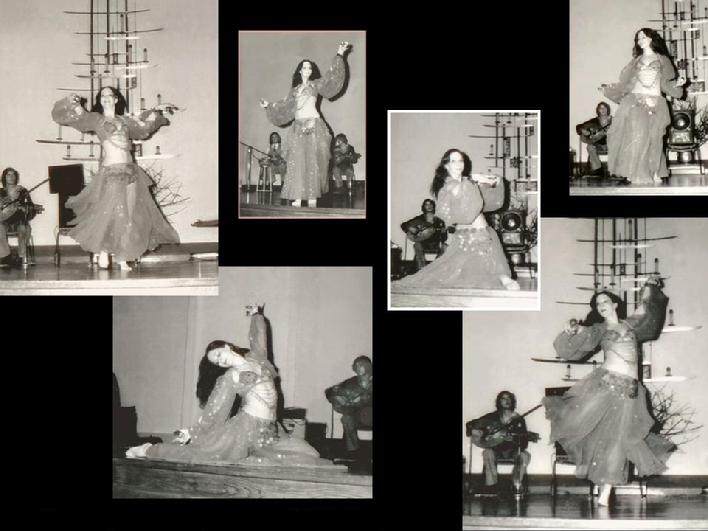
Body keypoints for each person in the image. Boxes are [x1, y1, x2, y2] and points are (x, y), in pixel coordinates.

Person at [126, 312, 330, 466]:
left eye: (217, 354)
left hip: (269, 429)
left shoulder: (257, 357)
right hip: (245, 428)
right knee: (203, 454)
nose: (219, 360)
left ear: (226, 347)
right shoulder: (229, 377)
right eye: (215, 361)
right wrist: (192, 432)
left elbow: (260, 333)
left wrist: (256, 314)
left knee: (309, 456)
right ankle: (151, 450)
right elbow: (214, 411)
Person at [543, 277, 676, 507]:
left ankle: (605, 490)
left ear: (615, 304)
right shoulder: (598, 329)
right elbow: (572, 345)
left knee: (619, 441)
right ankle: (603, 491)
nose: (601, 306)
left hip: (631, 391)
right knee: (606, 437)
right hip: (606, 387)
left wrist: (650, 286)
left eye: (605, 301)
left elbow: (647, 310)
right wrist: (571, 330)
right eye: (597, 304)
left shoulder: (633, 325)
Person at [52, 86, 180, 270]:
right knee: (109, 214)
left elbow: (144, 128)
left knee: (129, 214)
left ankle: (122, 256)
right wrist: (72, 101)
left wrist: (157, 109)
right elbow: (77, 116)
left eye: (109, 95)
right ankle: (104, 250)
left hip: (131, 172)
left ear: (116, 99)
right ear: (100, 100)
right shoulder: (96, 119)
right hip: (111, 173)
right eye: (102, 96)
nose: (105, 98)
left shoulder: (126, 121)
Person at [393, 149, 519, 290]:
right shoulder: (449, 187)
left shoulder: (467, 182)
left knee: (489, 268)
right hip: (469, 237)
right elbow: (464, 212)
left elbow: (491, 203)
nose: (458, 164)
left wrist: (494, 181)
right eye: (454, 161)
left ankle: (504, 279)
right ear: (446, 165)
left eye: (461, 160)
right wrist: (474, 180)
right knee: (456, 275)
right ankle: (504, 279)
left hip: (484, 232)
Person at [260, 41, 350, 207]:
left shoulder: (316, 85)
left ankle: (312, 196)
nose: (307, 70)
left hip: (314, 125)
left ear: (311, 71)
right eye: (304, 67)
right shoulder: (294, 91)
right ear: (300, 70)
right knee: (297, 163)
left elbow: (332, 79)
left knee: (313, 162)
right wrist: (268, 106)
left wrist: (339, 54)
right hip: (298, 127)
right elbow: (284, 106)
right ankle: (299, 196)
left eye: (310, 67)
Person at [601, 28, 686, 184]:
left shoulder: (662, 60)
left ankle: (654, 171)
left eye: (643, 37)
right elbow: (626, 83)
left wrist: (678, 84)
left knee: (655, 139)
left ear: (651, 39)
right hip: (636, 102)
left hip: (656, 102)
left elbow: (666, 84)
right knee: (637, 137)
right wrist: (609, 89)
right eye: (638, 39)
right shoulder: (635, 61)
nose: (640, 41)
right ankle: (634, 172)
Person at [467, 391, 532, 496]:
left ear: (512, 401)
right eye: (503, 398)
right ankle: (491, 487)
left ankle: (515, 484)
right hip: (495, 450)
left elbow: (524, 444)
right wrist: (476, 431)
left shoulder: (518, 419)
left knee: (525, 456)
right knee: (487, 453)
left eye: (509, 398)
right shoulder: (492, 417)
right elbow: (470, 425)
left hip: (513, 451)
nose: (506, 401)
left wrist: (513, 439)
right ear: (499, 401)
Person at [325, 355, 373, 456]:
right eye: (356, 365)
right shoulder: (352, 381)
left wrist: (363, 398)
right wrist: (337, 397)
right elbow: (329, 391)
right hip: (357, 415)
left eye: (361, 364)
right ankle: (353, 451)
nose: (357, 367)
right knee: (346, 418)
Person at [0, 167, 39, 267]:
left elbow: (31, 208)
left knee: (24, 228)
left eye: (13, 175)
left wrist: (24, 208)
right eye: (8, 175)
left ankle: (21, 256)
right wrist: (9, 201)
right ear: (4, 177)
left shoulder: (22, 191)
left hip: (19, 220)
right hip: (4, 220)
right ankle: (6, 256)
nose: (11, 177)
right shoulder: (1, 192)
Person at [400, 198, 447, 272]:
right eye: (426, 204)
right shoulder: (420, 218)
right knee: (417, 244)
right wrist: (411, 228)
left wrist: (444, 232)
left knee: (445, 247)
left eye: (430, 204)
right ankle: (422, 271)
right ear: (423, 207)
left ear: (434, 206)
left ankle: (435, 268)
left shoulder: (439, 220)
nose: (429, 206)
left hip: (434, 243)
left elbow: (444, 238)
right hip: (422, 243)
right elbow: (403, 225)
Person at [576, 102, 612, 178]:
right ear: (598, 110)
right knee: (590, 147)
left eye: (605, 108)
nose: (603, 110)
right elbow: (579, 126)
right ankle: (598, 169)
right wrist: (583, 130)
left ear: (607, 109)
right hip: (598, 145)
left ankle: (615, 171)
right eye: (601, 108)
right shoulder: (594, 121)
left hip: (611, 145)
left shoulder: (613, 120)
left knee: (619, 147)